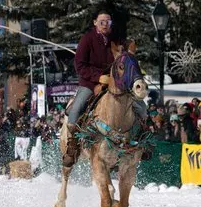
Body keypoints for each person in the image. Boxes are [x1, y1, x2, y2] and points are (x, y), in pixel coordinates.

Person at [63, 10, 149, 167]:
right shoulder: (87, 39)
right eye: (101, 21)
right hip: (91, 83)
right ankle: (72, 146)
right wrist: (98, 77)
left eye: (108, 22)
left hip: (116, 84)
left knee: (142, 107)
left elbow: (125, 60)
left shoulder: (117, 40)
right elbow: (80, 65)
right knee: (76, 110)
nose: (105, 24)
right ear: (95, 22)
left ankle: (143, 142)